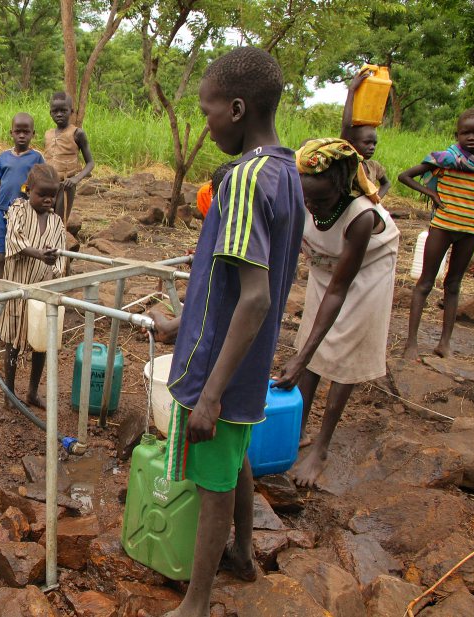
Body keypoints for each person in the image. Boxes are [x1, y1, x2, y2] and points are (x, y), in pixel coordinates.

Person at [141, 47, 305, 617]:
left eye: (209, 114)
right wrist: (178, 324)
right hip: (246, 362)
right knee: (235, 458)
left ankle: (196, 601)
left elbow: (254, 298)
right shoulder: (288, 173)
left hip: (220, 368)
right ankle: (244, 553)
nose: (207, 126)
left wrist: (209, 393)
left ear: (236, 109)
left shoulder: (242, 179)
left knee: (212, 480)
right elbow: (230, 285)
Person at [273, 138, 399, 489]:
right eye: (306, 199)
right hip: (325, 265)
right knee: (312, 343)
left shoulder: (362, 216)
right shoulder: (304, 198)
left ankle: (322, 448)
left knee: (344, 350)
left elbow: (340, 291)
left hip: (367, 270)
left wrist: (301, 358)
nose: (311, 207)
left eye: (321, 200)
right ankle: (297, 430)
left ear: (341, 186)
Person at [398, 108, 474, 359]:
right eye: (465, 132)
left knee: (454, 285)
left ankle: (445, 342)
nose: (471, 137)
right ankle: (411, 343)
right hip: (442, 227)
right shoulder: (444, 160)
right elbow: (405, 176)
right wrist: (431, 194)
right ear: (457, 134)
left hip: (468, 231)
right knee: (425, 282)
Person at [0, 164, 67, 408]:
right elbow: (13, 240)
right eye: (42, 194)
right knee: (13, 343)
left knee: (41, 343)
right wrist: (40, 254)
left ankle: (32, 392)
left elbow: (61, 255)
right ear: (29, 191)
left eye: (53, 195)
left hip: (42, 290)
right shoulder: (18, 209)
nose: (48, 199)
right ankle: (8, 392)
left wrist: (54, 260)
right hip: (18, 288)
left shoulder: (57, 222)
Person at [0, 112, 45, 278]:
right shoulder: (3, 157)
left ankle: (18, 297)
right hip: (3, 212)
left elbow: (42, 185)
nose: (22, 135)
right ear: (11, 133)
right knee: (0, 256)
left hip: (24, 213)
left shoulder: (37, 158)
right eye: (18, 131)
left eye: (26, 132)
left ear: (33, 134)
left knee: (21, 254)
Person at [44, 92, 94, 224]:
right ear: (50, 113)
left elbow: (90, 163)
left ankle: (59, 244)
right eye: (55, 111)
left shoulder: (77, 133)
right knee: (43, 219)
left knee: (59, 222)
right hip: (47, 184)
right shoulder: (48, 134)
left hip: (66, 185)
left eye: (63, 111)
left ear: (71, 111)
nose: (59, 114)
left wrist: (75, 179)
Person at [340, 70, 391, 200]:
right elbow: (346, 125)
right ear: (350, 142)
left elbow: (386, 183)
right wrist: (352, 90)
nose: (372, 147)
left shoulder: (374, 166)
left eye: (374, 143)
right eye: (367, 143)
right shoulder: (347, 161)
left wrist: (376, 199)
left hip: (366, 209)